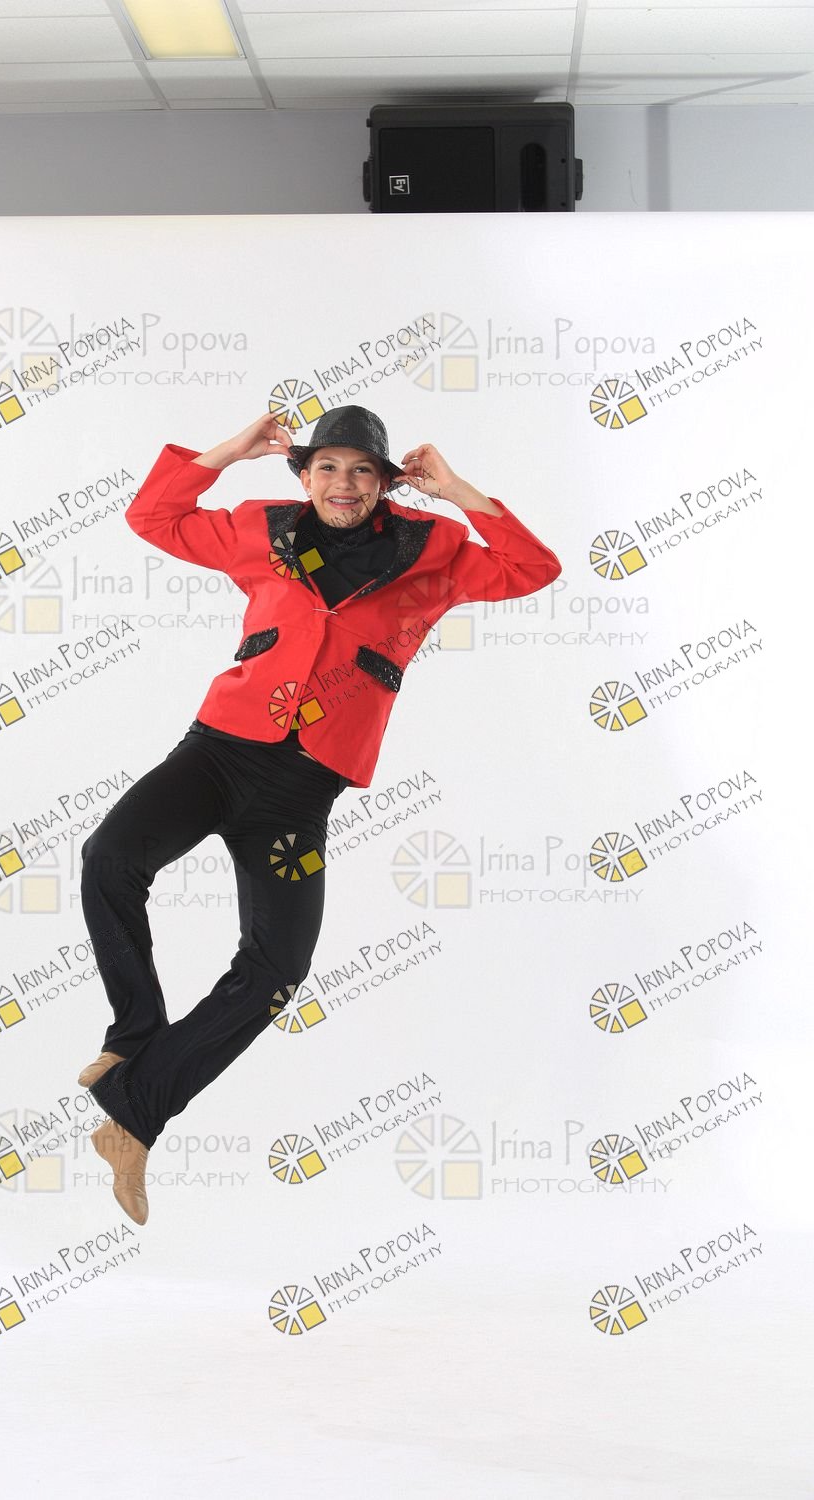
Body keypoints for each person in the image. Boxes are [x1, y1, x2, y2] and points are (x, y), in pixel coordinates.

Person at [78, 405, 562, 1224]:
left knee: (277, 971)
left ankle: (134, 1113)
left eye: (363, 470)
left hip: (302, 792)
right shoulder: (260, 529)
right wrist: (229, 452)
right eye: (328, 467)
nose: (344, 483)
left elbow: (533, 569)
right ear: (304, 476)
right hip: (219, 752)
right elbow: (154, 517)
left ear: (386, 482)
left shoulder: (434, 550)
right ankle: (131, 1036)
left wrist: (457, 492)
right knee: (109, 859)